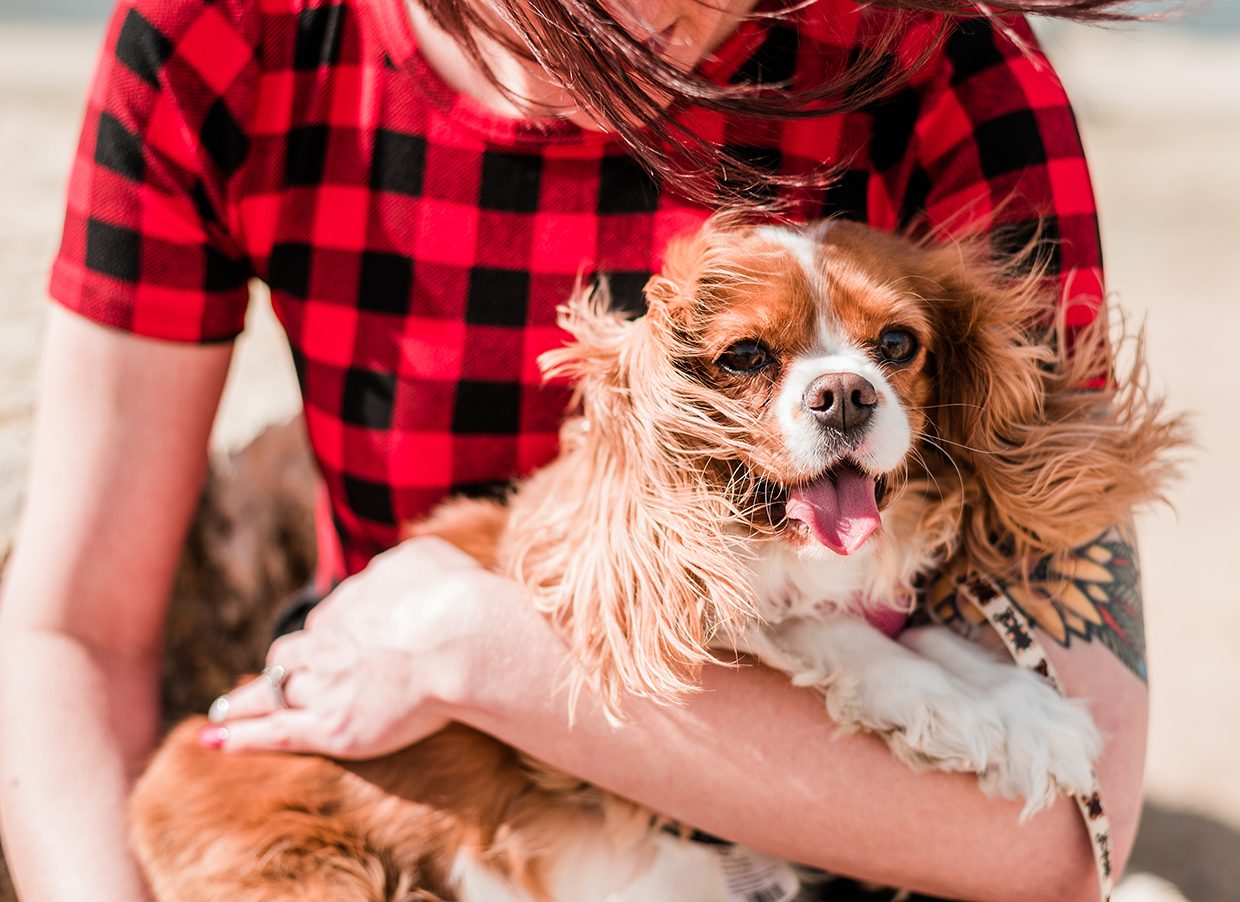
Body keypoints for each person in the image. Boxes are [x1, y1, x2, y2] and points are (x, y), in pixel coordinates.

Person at [0, 0, 1152, 898]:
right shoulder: (228, 36)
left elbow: (1063, 839)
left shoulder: (943, 64)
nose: (651, 20)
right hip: (413, 786)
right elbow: (74, 625)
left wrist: (476, 648)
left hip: (798, 822)